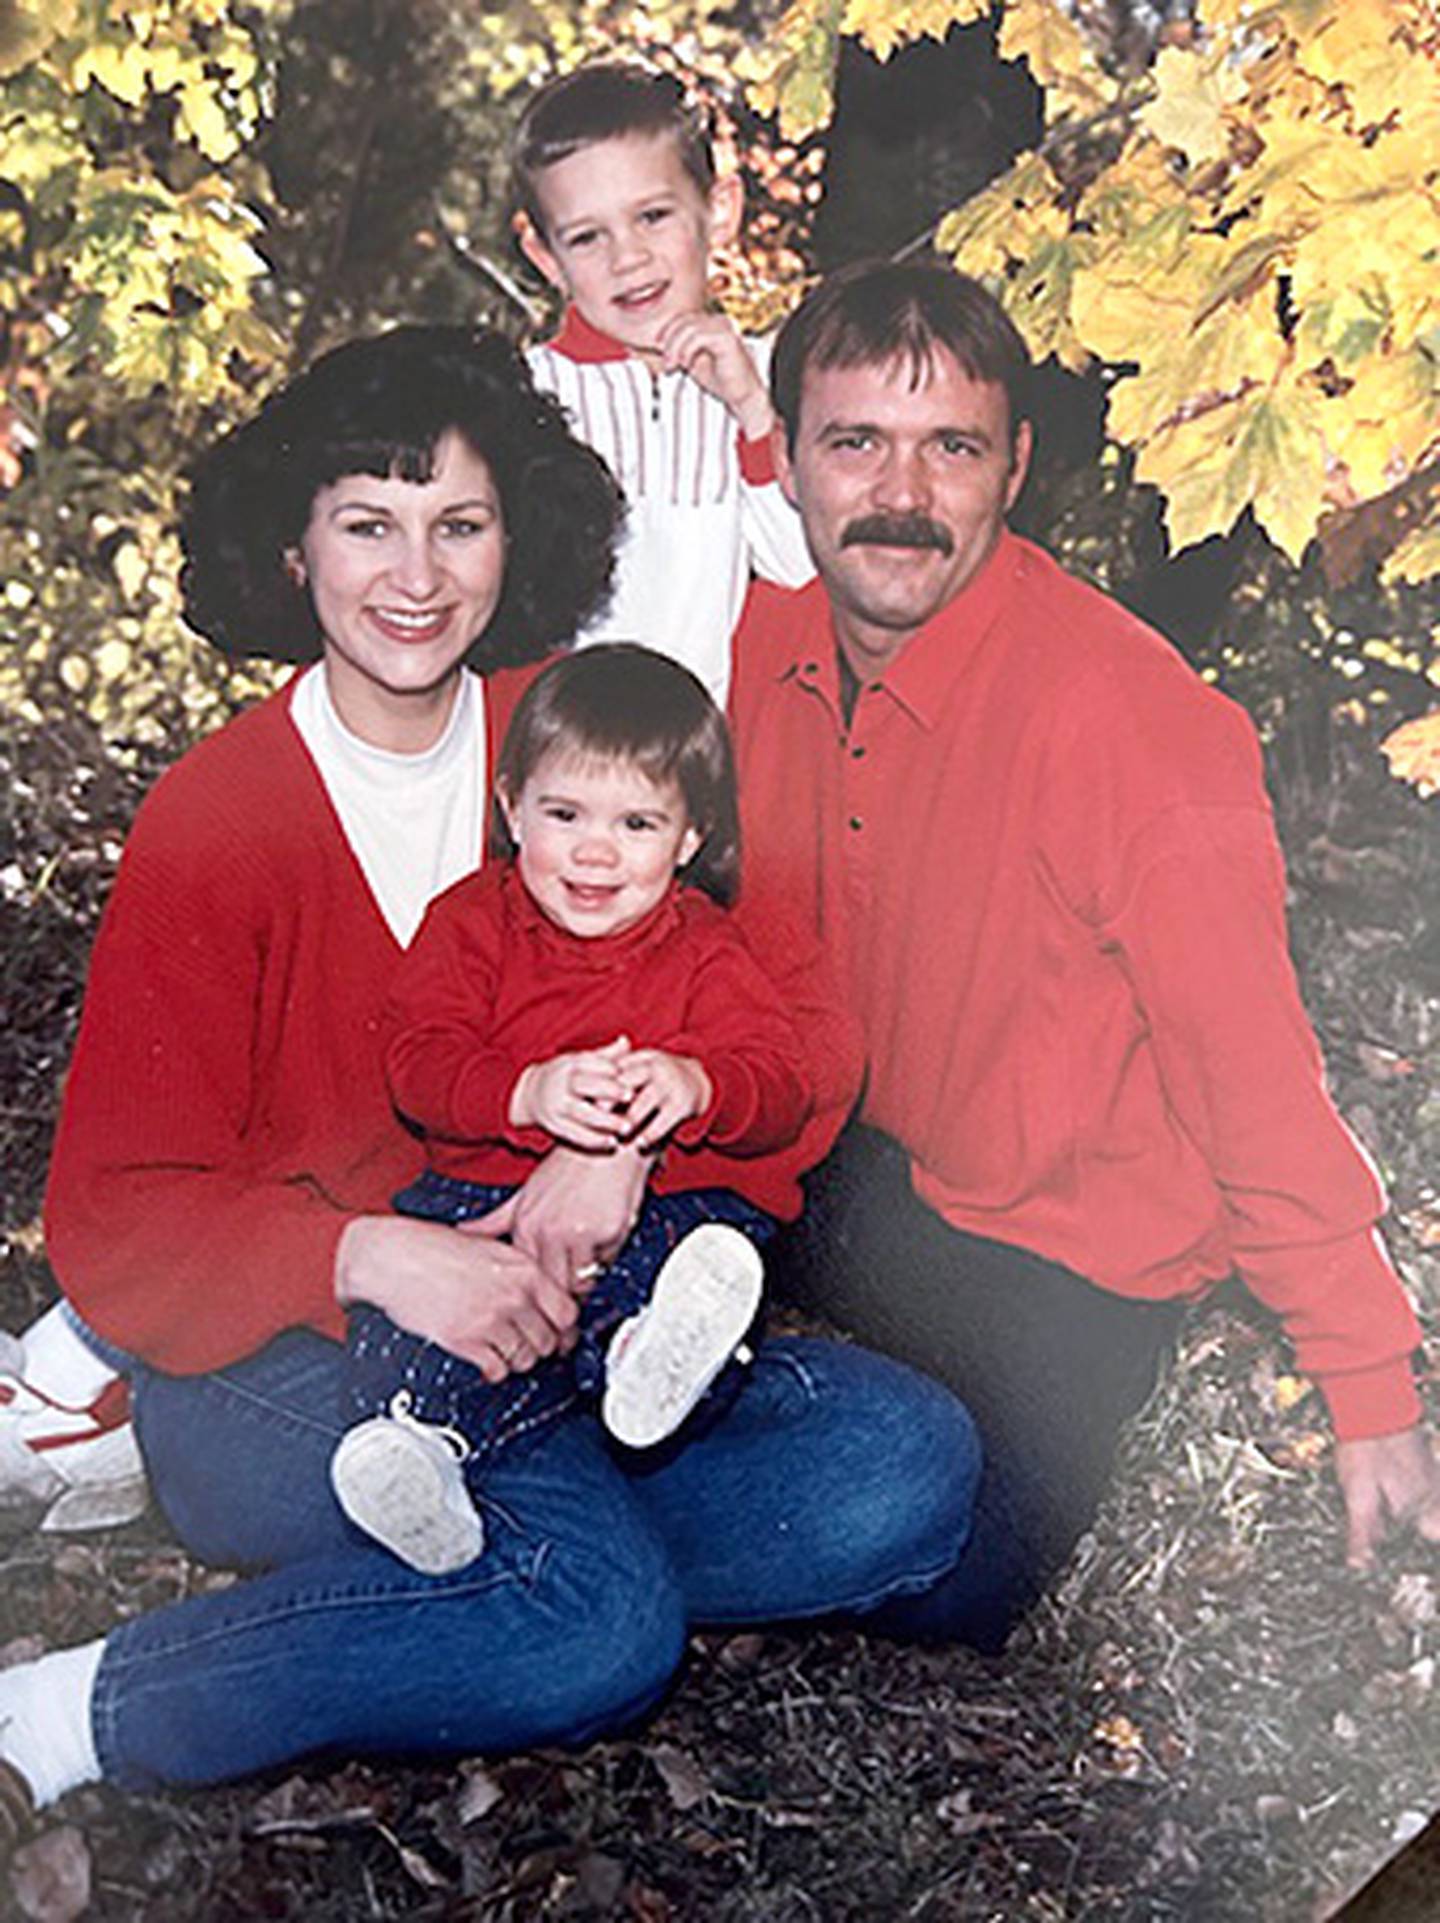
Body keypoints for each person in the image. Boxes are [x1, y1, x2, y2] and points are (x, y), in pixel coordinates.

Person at [0, 321, 977, 1844]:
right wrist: (383, 1250)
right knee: (598, 1626)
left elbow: (796, 1033)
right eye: (369, 524)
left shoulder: (573, 747)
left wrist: (642, 1141)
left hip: (569, 1312)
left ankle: (492, 1554)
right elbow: (119, 1217)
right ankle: (69, 1710)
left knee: (910, 1458)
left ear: (515, 539)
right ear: (295, 547)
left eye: (460, 524)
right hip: (294, 1354)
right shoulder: (219, 817)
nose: (416, 574)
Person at [729, 259, 1440, 1654]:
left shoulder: (1128, 722)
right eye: (856, 440)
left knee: (953, 1582)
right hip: (853, 1167)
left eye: (954, 447)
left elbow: (1255, 1080)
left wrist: (1373, 1387)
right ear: (789, 456)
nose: (901, 494)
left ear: (1017, 467)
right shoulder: (745, 651)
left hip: (1070, 1262)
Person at [332, 643, 834, 1575]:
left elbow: (780, 1084)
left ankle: (648, 1352)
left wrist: (696, 1084)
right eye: (565, 814)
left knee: (699, 1251)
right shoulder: (471, 925)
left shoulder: (705, 952)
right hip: (482, 1198)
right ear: (511, 805)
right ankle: (423, 1448)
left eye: (638, 822)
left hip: (663, 1209)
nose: (595, 851)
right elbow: (419, 1061)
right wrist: (524, 1092)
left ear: (689, 840)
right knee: (424, 1319)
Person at [514, 60, 813, 703]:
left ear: (720, 211)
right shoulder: (525, 398)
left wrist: (752, 413)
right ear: (546, 258)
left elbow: (800, 567)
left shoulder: (766, 378)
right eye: (588, 237)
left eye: (652, 217)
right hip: (557, 756)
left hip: (699, 760)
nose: (628, 259)